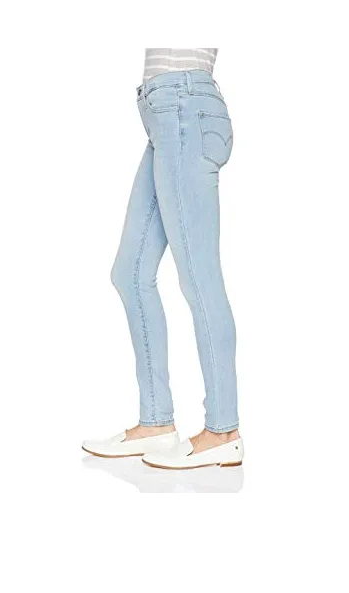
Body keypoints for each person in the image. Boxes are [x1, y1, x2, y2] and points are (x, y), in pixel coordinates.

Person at [82, 45, 244, 469]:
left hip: (183, 107)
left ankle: (223, 431)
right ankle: (156, 422)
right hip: (167, 117)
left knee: (199, 278)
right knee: (130, 272)